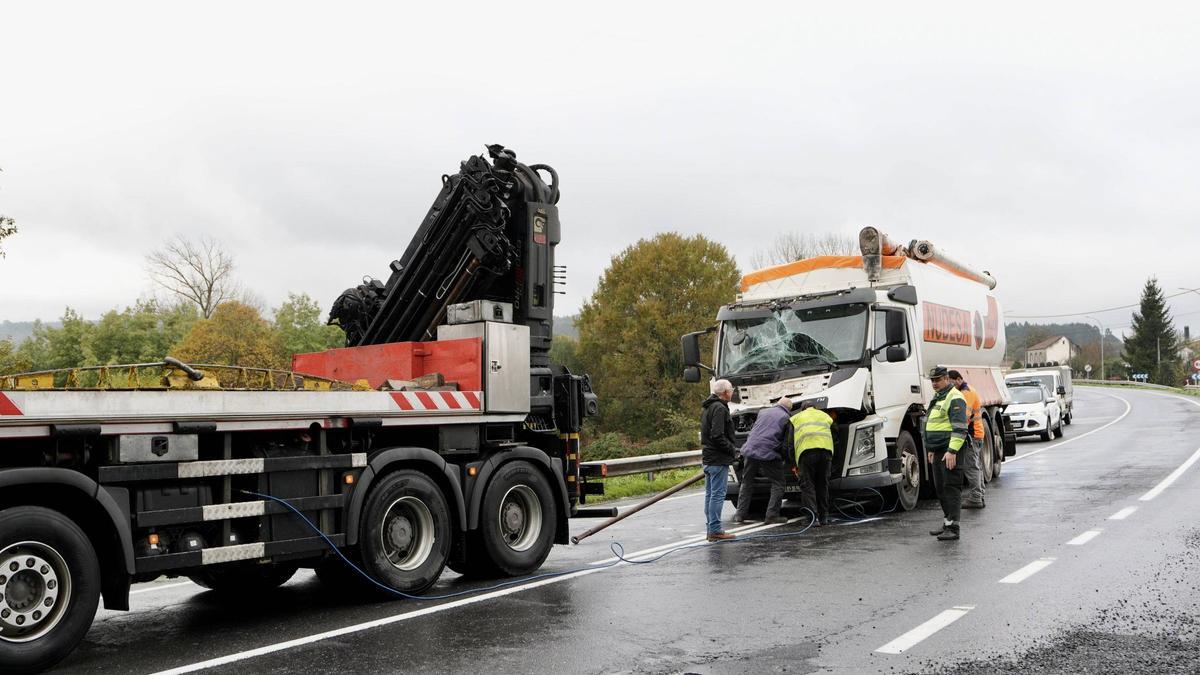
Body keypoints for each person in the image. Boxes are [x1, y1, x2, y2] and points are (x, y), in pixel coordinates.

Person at [924, 366, 969, 541]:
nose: (934, 383)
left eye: (938, 380)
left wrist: (952, 451)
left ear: (946, 379)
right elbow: (931, 424)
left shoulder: (955, 397)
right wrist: (930, 448)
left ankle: (954, 528)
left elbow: (960, 428)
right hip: (938, 450)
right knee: (941, 488)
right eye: (932, 381)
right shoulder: (938, 397)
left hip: (950, 450)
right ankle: (947, 523)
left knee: (951, 487)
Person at [733, 396, 792, 525]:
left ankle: (740, 514)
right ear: (788, 409)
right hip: (768, 452)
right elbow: (786, 443)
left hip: (749, 449)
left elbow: (757, 430)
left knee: (747, 482)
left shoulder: (763, 412)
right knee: (778, 482)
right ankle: (771, 515)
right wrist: (785, 459)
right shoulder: (786, 418)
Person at [700, 379, 737, 542]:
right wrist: (732, 450)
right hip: (717, 458)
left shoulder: (708, 407)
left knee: (710, 495)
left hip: (708, 457)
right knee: (717, 495)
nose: (733, 392)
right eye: (731, 390)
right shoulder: (720, 408)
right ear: (725, 393)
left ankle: (711, 528)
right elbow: (717, 435)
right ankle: (715, 530)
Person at [790, 399, 834, 527]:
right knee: (822, 484)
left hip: (806, 453)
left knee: (807, 485)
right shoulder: (825, 416)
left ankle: (812, 518)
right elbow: (835, 434)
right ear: (815, 408)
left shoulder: (796, 418)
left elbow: (790, 444)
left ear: (803, 409)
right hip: (825, 452)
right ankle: (824, 517)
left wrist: (794, 463)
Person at [949, 370, 986, 509]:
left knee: (971, 467)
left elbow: (963, 417)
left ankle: (976, 498)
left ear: (958, 379)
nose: (951, 386)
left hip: (972, 434)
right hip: (975, 434)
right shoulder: (967, 390)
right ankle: (979, 495)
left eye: (952, 383)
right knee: (976, 466)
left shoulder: (966, 393)